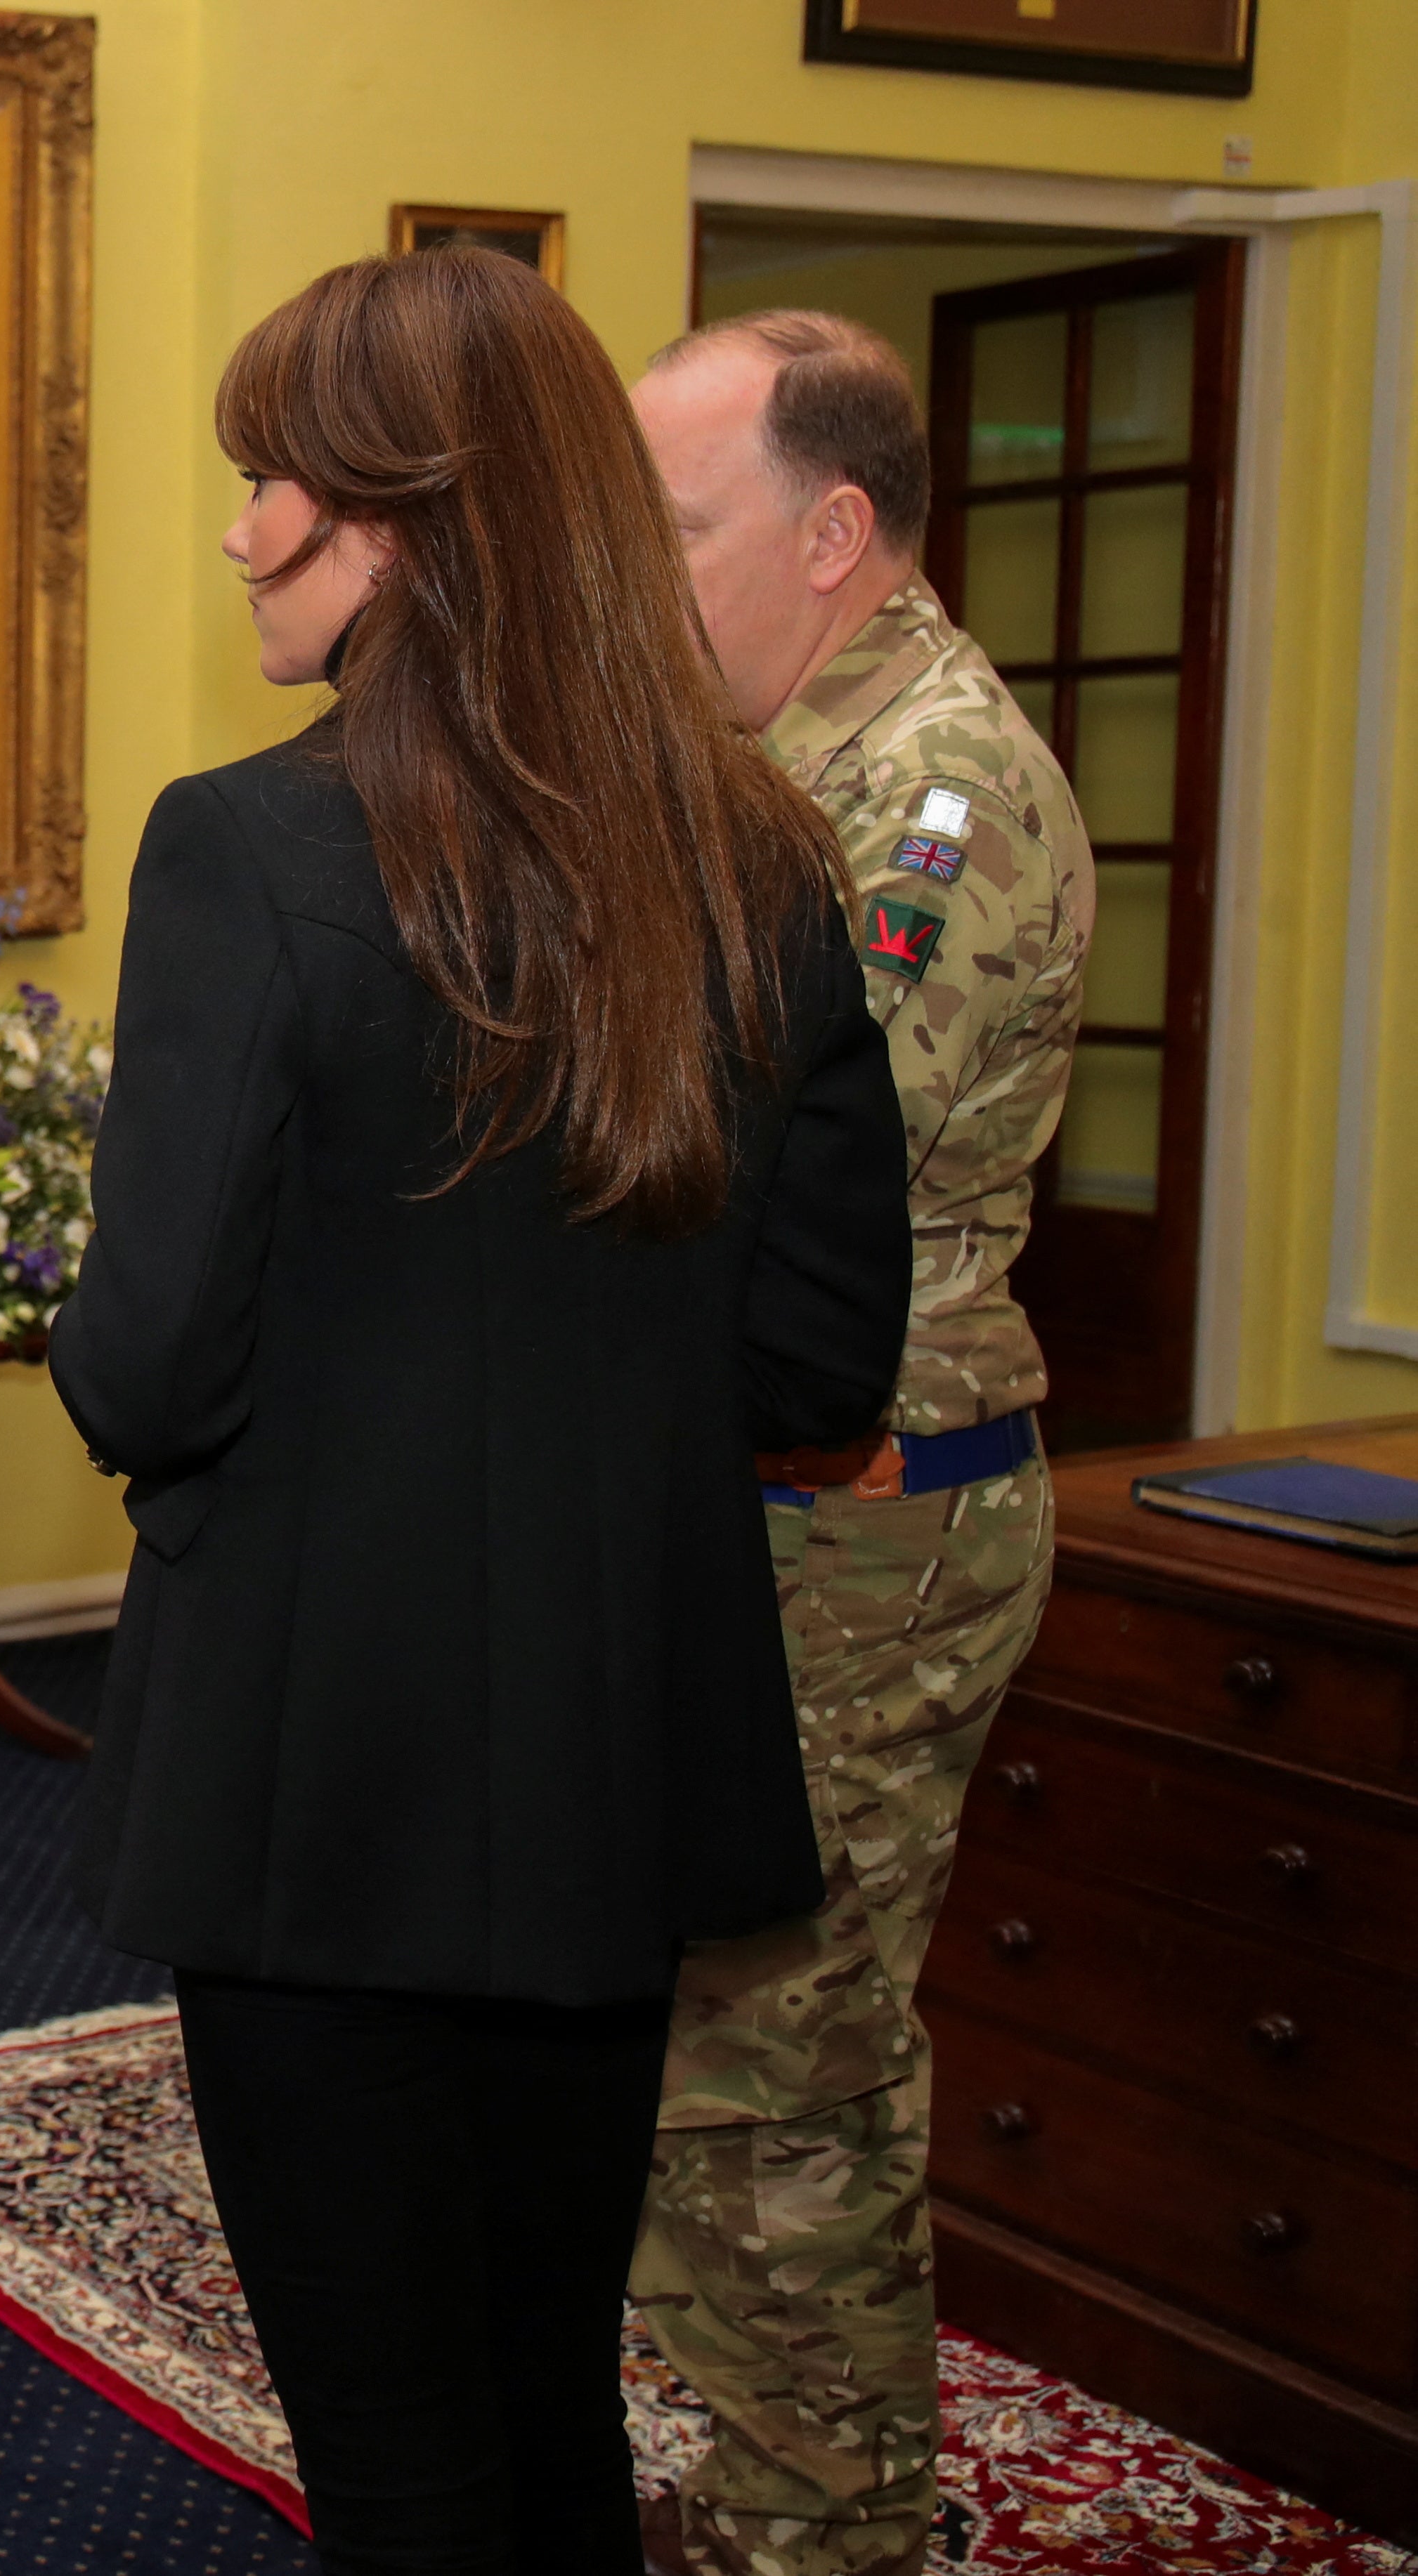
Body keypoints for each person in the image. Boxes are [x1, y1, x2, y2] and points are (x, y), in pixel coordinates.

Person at [47, 249, 912, 2575]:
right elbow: (825, 1366)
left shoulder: (247, 847)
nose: (241, 530)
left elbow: (151, 1360)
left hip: (325, 1764)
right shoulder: (763, 859)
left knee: (403, 2450)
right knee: (545, 2401)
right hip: (619, 1743)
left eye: (279, 479)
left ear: (418, 520)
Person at [625, 310, 1092, 2576]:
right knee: (714, 2061)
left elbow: (782, 1162)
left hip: (870, 1523)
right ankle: (770, 2488)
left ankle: (831, 2536)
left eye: (674, 525)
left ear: (830, 532)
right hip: (773, 1504)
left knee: (783, 2081)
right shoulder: (775, 760)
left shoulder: (933, 794)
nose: (636, 572)